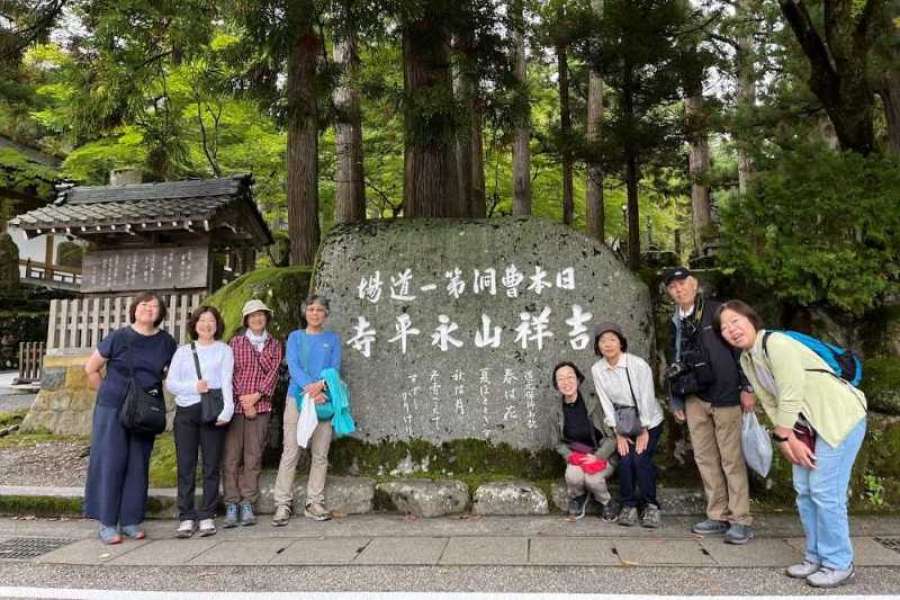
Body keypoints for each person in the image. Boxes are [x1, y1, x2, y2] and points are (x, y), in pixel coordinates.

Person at [716, 300, 867, 588]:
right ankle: (815, 557)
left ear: (751, 318)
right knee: (805, 491)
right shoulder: (748, 358)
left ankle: (839, 563)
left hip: (839, 419)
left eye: (735, 321)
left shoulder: (777, 343)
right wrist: (790, 438)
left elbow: (791, 391)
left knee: (825, 491)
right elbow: (770, 402)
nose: (731, 330)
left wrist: (784, 436)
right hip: (806, 427)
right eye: (724, 328)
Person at [663, 266, 754, 544]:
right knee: (705, 458)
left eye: (683, 284)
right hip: (694, 397)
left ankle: (741, 519)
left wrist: (747, 386)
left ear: (695, 284)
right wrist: (675, 398)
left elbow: (739, 347)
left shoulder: (717, 312)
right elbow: (673, 362)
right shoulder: (674, 322)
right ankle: (717, 514)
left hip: (725, 395)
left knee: (731, 459)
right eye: (673, 287)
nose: (679, 290)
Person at [83, 292, 177, 544]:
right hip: (112, 408)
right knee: (111, 462)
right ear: (134, 309)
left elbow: (172, 375)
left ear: (160, 313)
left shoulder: (166, 342)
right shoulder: (118, 336)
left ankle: (131, 520)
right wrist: (108, 394)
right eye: (143, 305)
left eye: (154, 306)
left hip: (145, 409)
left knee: (138, 463)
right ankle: (107, 522)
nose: (148, 309)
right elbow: (91, 369)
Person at [165, 305, 234, 538]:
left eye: (211, 321)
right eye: (202, 320)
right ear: (194, 325)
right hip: (186, 412)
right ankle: (186, 515)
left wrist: (228, 409)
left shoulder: (224, 350)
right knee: (186, 465)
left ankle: (207, 514)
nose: (207, 324)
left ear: (217, 325)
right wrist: (193, 387)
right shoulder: (183, 351)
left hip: (212, 411)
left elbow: (226, 381)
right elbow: (171, 383)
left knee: (211, 465)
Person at [272, 295, 342, 525]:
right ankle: (282, 503)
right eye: (311, 309)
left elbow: (334, 368)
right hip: (298, 398)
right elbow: (293, 365)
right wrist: (311, 389)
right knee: (291, 450)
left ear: (326, 314)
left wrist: (320, 387)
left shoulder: (332, 339)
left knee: (320, 453)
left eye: (320, 310)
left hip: (323, 399)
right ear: (305, 312)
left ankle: (314, 502)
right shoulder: (295, 337)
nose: (315, 313)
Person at [591, 322, 665, 528]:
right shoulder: (597, 369)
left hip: (649, 419)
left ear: (621, 343)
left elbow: (646, 397)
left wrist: (644, 429)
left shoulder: (637, 365)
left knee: (640, 459)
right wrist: (619, 433)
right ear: (597, 346)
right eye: (602, 341)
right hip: (623, 422)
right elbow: (606, 402)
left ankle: (651, 506)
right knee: (625, 461)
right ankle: (629, 505)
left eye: (612, 339)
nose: (608, 345)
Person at [223, 299, 284, 528]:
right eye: (252, 315)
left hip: (262, 405)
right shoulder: (235, 343)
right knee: (231, 456)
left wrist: (256, 396)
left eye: (261, 315)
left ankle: (248, 501)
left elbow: (274, 374)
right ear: (246, 320)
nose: (257, 319)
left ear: (266, 318)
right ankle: (231, 502)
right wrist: (243, 398)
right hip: (237, 406)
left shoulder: (274, 345)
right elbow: (231, 374)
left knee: (254, 455)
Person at [548, 361, 618, 521]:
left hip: (601, 455)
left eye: (570, 377)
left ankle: (606, 501)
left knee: (592, 479)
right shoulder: (556, 412)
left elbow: (612, 436)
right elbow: (557, 442)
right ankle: (578, 498)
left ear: (578, 380)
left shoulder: (595, 403)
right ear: (556, 385)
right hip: (577, 455)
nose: (566, 382)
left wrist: (599, 456)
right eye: (561, 379)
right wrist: (569, 456)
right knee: (573, 476)